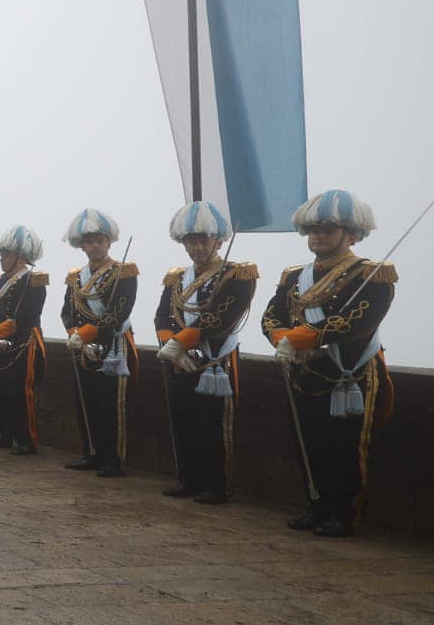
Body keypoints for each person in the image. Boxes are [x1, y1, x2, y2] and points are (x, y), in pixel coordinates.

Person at [262, 189, 395, 537]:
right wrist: (280, 339)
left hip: (349, 377)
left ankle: (345, 514)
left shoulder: (372, 275)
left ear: (351, 234)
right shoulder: (294, 277)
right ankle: (316, 505)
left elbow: (355, 323)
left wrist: (298, 338)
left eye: (328, 230)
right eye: (313, 230)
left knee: (347, 448)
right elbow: (270, 317)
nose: (318, 236)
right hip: (305, 374)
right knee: (310, 444)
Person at [153, 201, 255, 506]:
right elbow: (162, 316)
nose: (197, 247)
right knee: (182, 421)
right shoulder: (177, 279)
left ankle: (216, 484)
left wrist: (180, 341)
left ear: (219, 241)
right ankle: (189, 478)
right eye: (191, 241)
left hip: (214, 361)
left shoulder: (237, 275)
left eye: (204, 240)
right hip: (178, 360)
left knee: (213, 425)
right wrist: (170, 347)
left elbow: (222, 318)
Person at [60, 208, 138, 478]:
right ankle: (91, 452)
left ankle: (113, 458)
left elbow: (118, 315)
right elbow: (67, 312)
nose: (94, 246)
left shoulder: (123, 273)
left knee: (110, 405)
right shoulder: (76, 277)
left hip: (113, 347)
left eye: (99, 240)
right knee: (87, 403)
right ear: (81, 245)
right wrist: (77, 337)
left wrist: (87, 336)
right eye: (89, 241)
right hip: (83, 347)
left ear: (109, 242)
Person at [0, 226, 48, 456]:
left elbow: (27, 315)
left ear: (21, 257)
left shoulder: (33, 281)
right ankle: (0, 435)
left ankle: (26, 439)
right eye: (2, 255)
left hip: (23, 343)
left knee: (19, 391)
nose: (2, 260)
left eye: (6, 255)